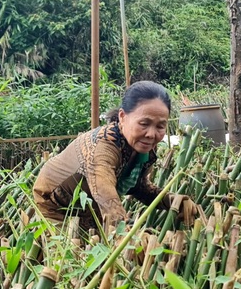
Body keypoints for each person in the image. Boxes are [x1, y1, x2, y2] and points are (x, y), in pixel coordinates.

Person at [33, 80, 198, 230]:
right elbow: (104, 191)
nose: (151, 134)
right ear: (122, 117)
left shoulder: (143, 148)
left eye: (160, 126)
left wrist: (173, 200)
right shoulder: (103, 146)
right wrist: (123, 231)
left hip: (88, 209)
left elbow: (139, 188)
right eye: (144, 123)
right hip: (55, 207)